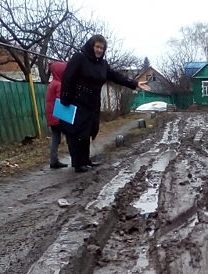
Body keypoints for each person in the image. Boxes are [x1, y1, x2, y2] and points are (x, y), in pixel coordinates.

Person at [59, 34, 150, 173]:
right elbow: (67, 77)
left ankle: (86, 160)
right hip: (77, 102)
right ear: (91, 46)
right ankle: (78, 163)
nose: (99, 50)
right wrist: (65, 97)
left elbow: (115, 76)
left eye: (102, 48)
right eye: (97, 46)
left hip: (93, 104)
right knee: (78, 133)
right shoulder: (80, 58)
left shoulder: (102, 64)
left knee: (88, 132)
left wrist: (135, 83)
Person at [45, 61, 68, 169]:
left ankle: (53, 160)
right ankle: (77, 158)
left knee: (55, 139)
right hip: (58, 116)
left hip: (52, 116)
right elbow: (61, 102)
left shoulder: (52, 84)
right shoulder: (59, 84)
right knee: (71, 136)